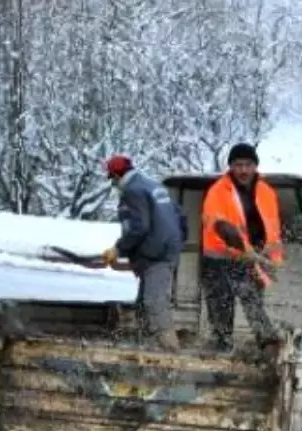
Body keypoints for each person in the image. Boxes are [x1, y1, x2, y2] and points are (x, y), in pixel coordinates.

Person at [199, 142, 283, 350]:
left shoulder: (267, 192)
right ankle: (222, 345)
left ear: (255, 166)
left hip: (255, 259)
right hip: (221, 259)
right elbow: (218, 223)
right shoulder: (218, 191)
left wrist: (272, 259)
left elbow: (273, 227)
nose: (243, 170)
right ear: (230, 167)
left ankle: (268, 345)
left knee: (253, 301)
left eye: (248, 164)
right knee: (221, 305)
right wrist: (241, 246)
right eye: (238, 165)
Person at [100, 155, 186, 350]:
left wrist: (118, 248)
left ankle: (172, 353)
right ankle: (146, 346)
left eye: (111, 179)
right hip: (166, 250)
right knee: (143, 303)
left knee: (154, 302)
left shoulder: (132, 191)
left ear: (115, 176)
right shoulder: (154, 185)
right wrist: (176, 243)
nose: (113, 184)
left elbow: (137, 228)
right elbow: (180, 215)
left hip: (156, 256)